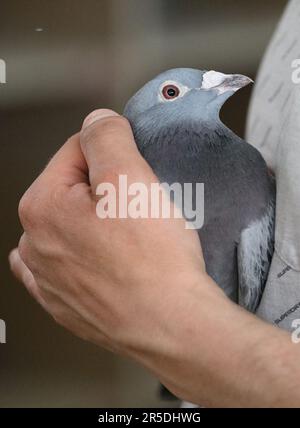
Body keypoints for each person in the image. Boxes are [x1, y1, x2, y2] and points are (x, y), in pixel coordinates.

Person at [8, 0, 300, 407]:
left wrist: (175, 326)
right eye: (172, 92)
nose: (220, 82)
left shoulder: (244, 176)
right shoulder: (137, 197)